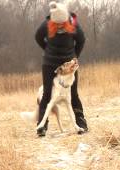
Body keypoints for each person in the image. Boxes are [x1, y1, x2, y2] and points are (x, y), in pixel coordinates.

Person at [35, 1, 88, 137]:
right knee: (47, 94)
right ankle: (42, 126)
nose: (59, 25)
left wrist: (75, 55)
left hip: (68, 64)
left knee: (74, 94)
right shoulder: (46, 25)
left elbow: (81, 40)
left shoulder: (74, 24)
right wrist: (47, 50)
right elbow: (38, 37)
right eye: (56, 23)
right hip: (49, 64)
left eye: (61, 24)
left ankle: (81, 123)